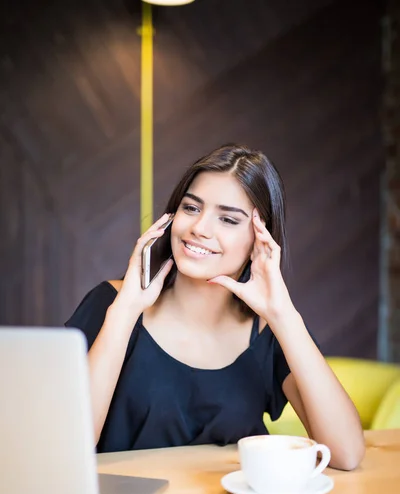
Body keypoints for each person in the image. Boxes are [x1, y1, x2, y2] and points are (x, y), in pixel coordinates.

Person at [65, 143, 365, 470]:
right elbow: (65, 444)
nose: (200, 228)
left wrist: (283, 315)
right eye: (191, 208)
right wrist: (124, 312)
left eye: (227, 219)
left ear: (259, 239)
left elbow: (346, 454)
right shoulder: (112, 304)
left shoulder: (269, 331)